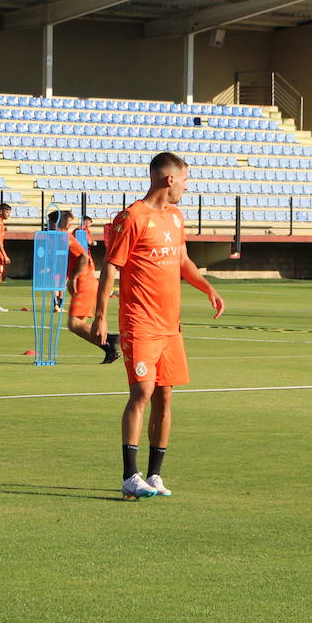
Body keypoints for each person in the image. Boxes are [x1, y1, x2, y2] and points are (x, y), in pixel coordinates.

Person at [91, 152, 225, 499]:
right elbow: (111, 267)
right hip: (140, 322)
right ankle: (129, 475)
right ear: (169, 180)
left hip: (170, 327)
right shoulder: (133, 217)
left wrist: (207, 287)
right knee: (142, 393)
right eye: (184, 180)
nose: (186, 186)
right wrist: (101, 314)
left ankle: (154, 475)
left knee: (165, 396)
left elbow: (182, 260)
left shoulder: (177, 218)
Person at [51, 209, 120, 364]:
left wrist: (73, 278)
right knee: (78, 324)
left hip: (84, 283)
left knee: (74, 324)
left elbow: (83, 256)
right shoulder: (63, 238)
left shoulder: (65, 238)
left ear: (54, 223)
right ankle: (109, 344)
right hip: (86, 282)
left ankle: (109, 343)